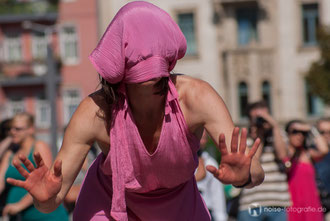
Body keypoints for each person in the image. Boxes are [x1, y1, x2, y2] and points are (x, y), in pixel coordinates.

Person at [6, 2, 264, 221]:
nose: (143, 54)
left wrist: (243, 177)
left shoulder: (196, 98)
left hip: (180, 208)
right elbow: (52, 201)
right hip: (107, 208)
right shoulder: (94, 112)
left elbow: (254, 173)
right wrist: (44, 199)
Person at [0, 113, 69, 221]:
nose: (12, 132)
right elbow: (0, 183)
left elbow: (45, 183)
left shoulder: (39, 146)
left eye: (17, 129)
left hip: (44, 215)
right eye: (10, 128)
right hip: (19, 217)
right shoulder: (10, 153)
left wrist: (19, 205)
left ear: (31, 129)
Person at [237, 101, 291, 221]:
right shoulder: (244, 139)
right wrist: (259, 136)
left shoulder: (280, 136)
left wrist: (275, 127)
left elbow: (282, 155)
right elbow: (252, 162)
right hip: (250, 203)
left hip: (278, 202)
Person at [284, 119, 328, 221]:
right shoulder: (283, 153)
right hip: (291, 204)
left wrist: (312, 129)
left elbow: (324, 149)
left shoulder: (308, 154)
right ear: (288, 133)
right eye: (295, 132)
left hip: (311, 203)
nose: (299, 135)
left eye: (303, 133)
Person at [196, 131, 228, 221]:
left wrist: (221, 218)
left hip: (206, 213)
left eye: (204, 138)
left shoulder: (210, 162)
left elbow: (217, 194)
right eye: (199, 137)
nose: (201, 141)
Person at [314, 117, 330, 220]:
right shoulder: (312, 152)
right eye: (322, 132)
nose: (326, 135)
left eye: (329, 131)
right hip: (319, 203)